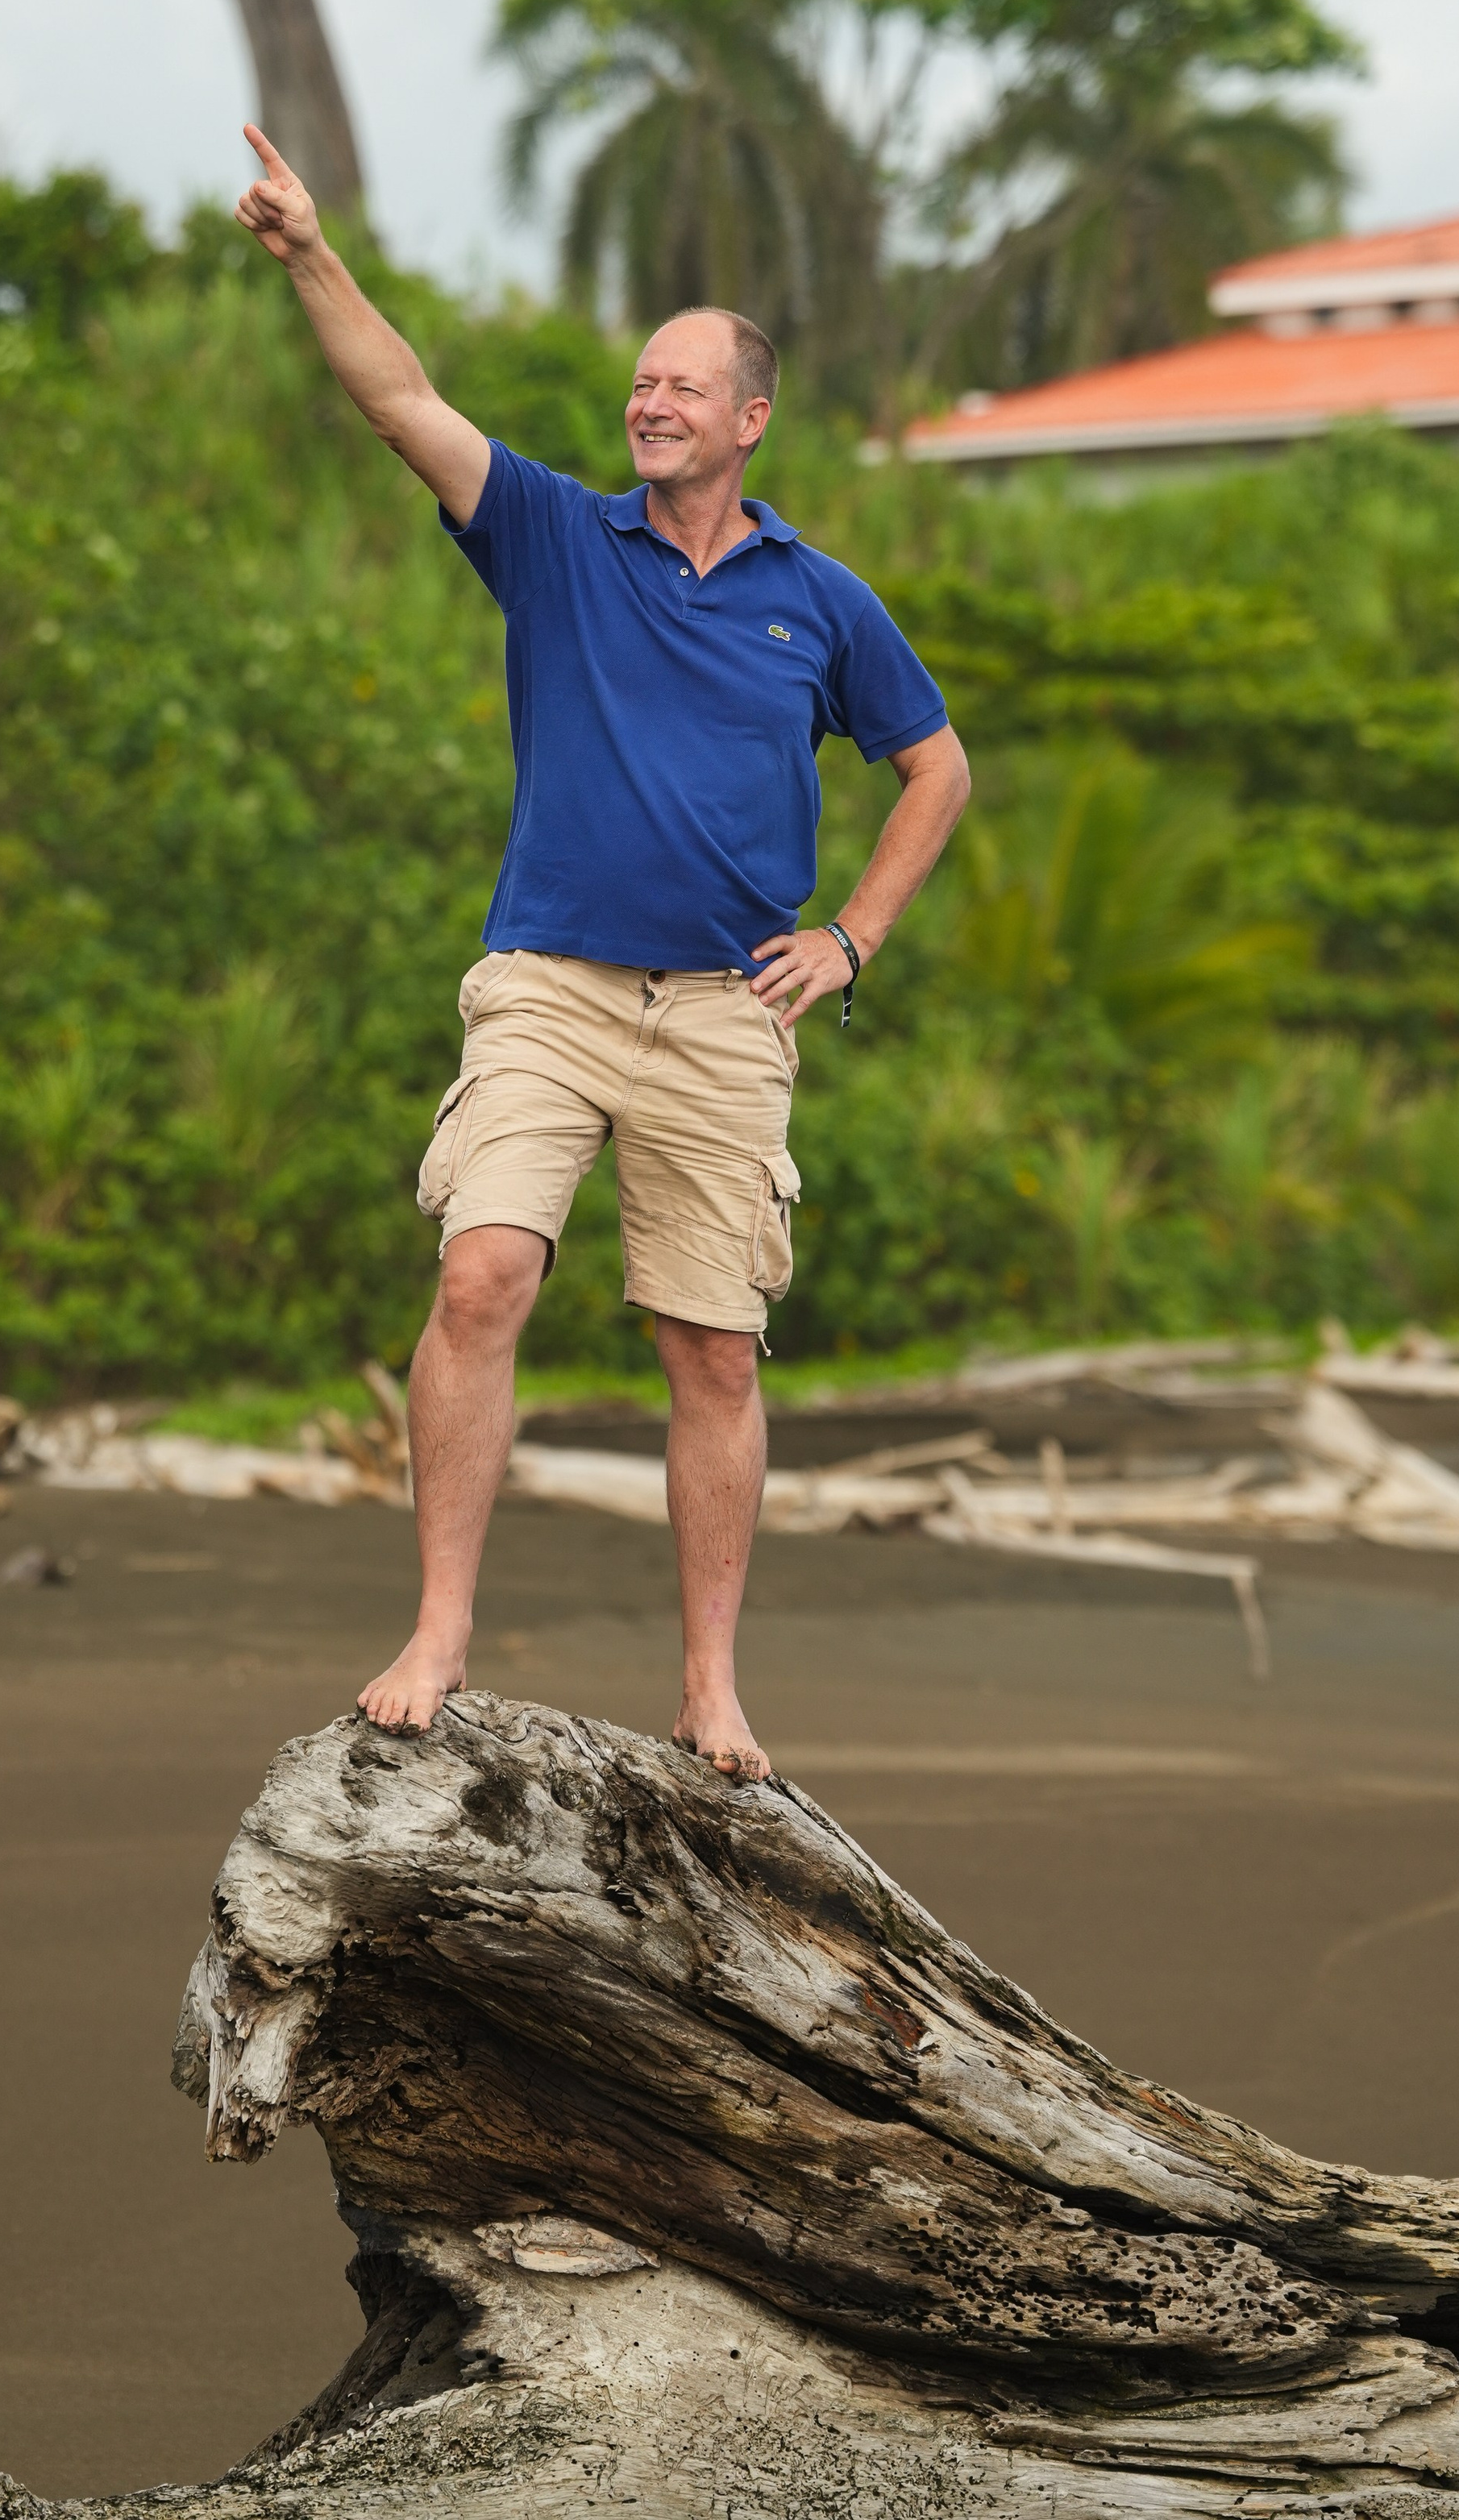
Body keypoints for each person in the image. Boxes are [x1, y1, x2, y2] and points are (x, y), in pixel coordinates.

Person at [235, 123, 971, 1779]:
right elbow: (401, 402)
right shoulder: (559, 537)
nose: (649, 402)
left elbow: (936, 769)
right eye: (640, 382)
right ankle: (439, 1629)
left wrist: (852, 940)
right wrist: (309, 256)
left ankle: (709, 1685)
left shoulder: (819, 598)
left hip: (725, 1012)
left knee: (711, 1350)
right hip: (551, 985)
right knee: (480, 1272)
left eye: (681, 386)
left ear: (749, 417)